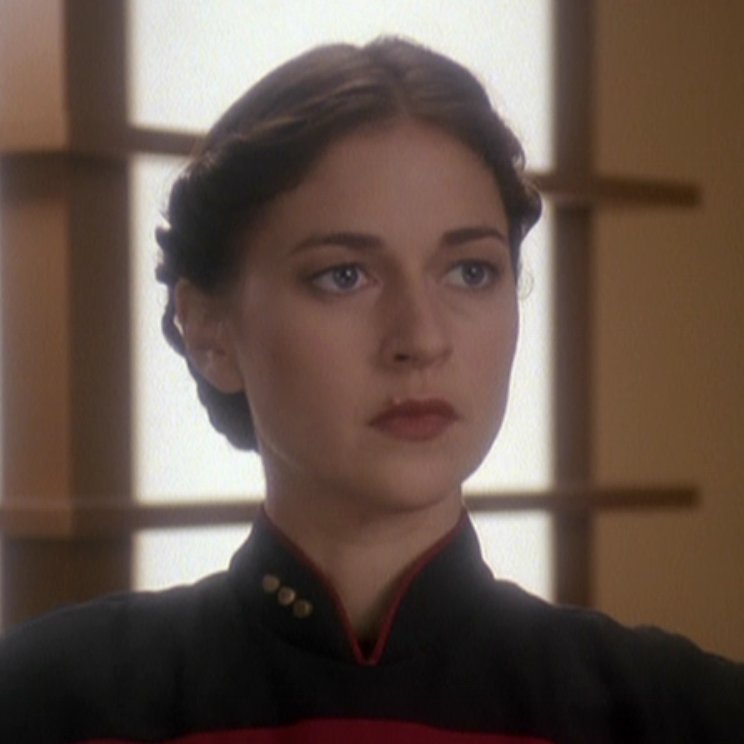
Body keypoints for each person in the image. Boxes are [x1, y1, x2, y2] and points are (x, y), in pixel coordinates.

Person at [0, 38, 742, 744]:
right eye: (344, 275)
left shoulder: (675, 714)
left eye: (471, 271)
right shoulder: (51, 702)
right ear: (209, 331)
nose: (421, 337)